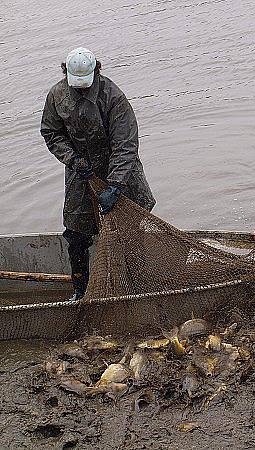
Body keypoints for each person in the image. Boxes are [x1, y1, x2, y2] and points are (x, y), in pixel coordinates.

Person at [41, 47, 155, 301]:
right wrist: (73, 159)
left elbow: (125, 144)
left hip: (120, 170)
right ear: (65, 73)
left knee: (130, 229)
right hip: (81, 171)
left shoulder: (113, 97)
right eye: (76, 85)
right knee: (76, 233)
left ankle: (135, 285)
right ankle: (80, 290)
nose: (81, 89)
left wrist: (115, 185)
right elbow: (51, 133)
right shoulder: (57, 95)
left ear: (97, 71)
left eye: (86, 84)